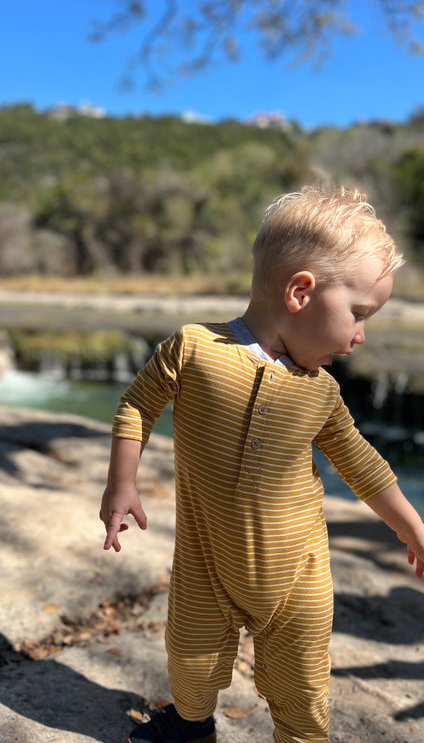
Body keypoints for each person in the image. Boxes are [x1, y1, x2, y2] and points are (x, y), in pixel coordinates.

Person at [99, 186, 424, 743]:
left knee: (301, 684)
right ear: (302, 291)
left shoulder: (321, 393)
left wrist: (410, 524)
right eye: (358, 315)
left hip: (297, 576)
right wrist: (120, 483)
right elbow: (138, 403)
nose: (359, 338)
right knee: (190, 658)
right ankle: (191, 725)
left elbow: (361, 463)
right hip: (207, 563)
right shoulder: (194, 348)